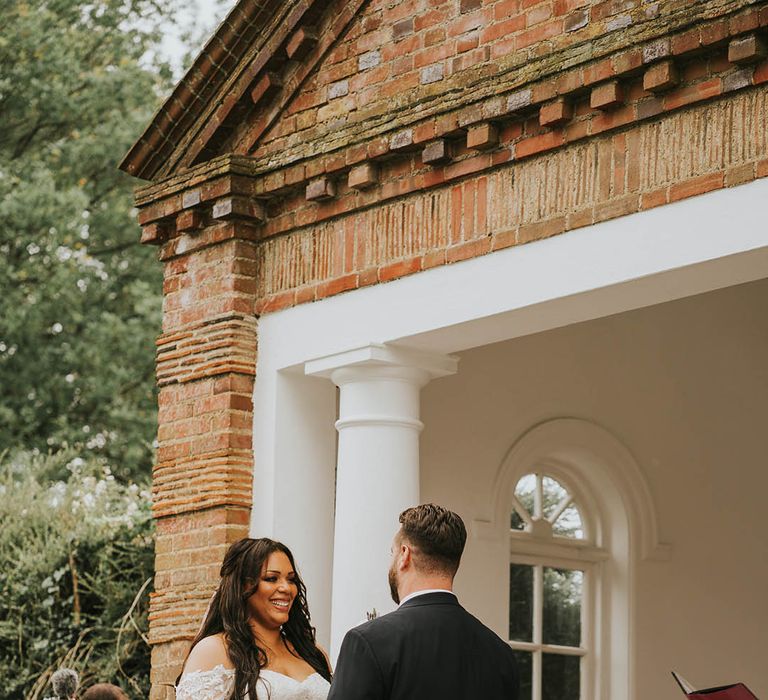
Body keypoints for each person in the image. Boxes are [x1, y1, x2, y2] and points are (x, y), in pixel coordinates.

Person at [328, 504, 519, 700]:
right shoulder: (501, 655)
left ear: (404, 555)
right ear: (456, 563)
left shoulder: (367, 641)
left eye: (391, 553)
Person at [176, 537, 331, 700]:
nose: (286, 588)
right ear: (242, 587)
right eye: (271, 578)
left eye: (291, 579)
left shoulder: (313, 653)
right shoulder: (215, 650)